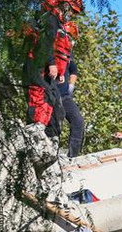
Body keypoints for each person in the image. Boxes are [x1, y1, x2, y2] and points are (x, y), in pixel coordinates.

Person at [25, 0, 82, 139]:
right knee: (40, 102)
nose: (71, 14)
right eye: (71, 10)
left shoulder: (56, 21)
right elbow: (46, 41)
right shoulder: (50, 18)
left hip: (45, 70)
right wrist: (51, 63)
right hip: (36, 66)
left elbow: (58, 52)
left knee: (57, 108)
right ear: (65, 5)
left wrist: (60, 72)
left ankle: (50, 140)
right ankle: (35, 136)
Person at [57, 21, 84, 157]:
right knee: (55, 122)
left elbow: (73, 69)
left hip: (65, 94)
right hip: (52, 92)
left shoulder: (68, 54)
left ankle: (73, 156)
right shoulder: (53, 48)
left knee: (78, 122)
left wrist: (71, 85)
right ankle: (50, 151)